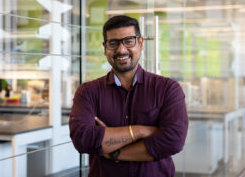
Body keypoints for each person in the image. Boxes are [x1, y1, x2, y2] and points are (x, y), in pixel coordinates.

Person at [69, 15, 188, 177]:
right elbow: (83, 139)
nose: (121, 49)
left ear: (140, 43)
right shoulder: (88, 92)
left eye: (129, 41)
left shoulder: (167, 89)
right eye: (113, 43)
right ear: (105, 48)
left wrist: (113, 152)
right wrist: (139, 131)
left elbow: (173, 140)